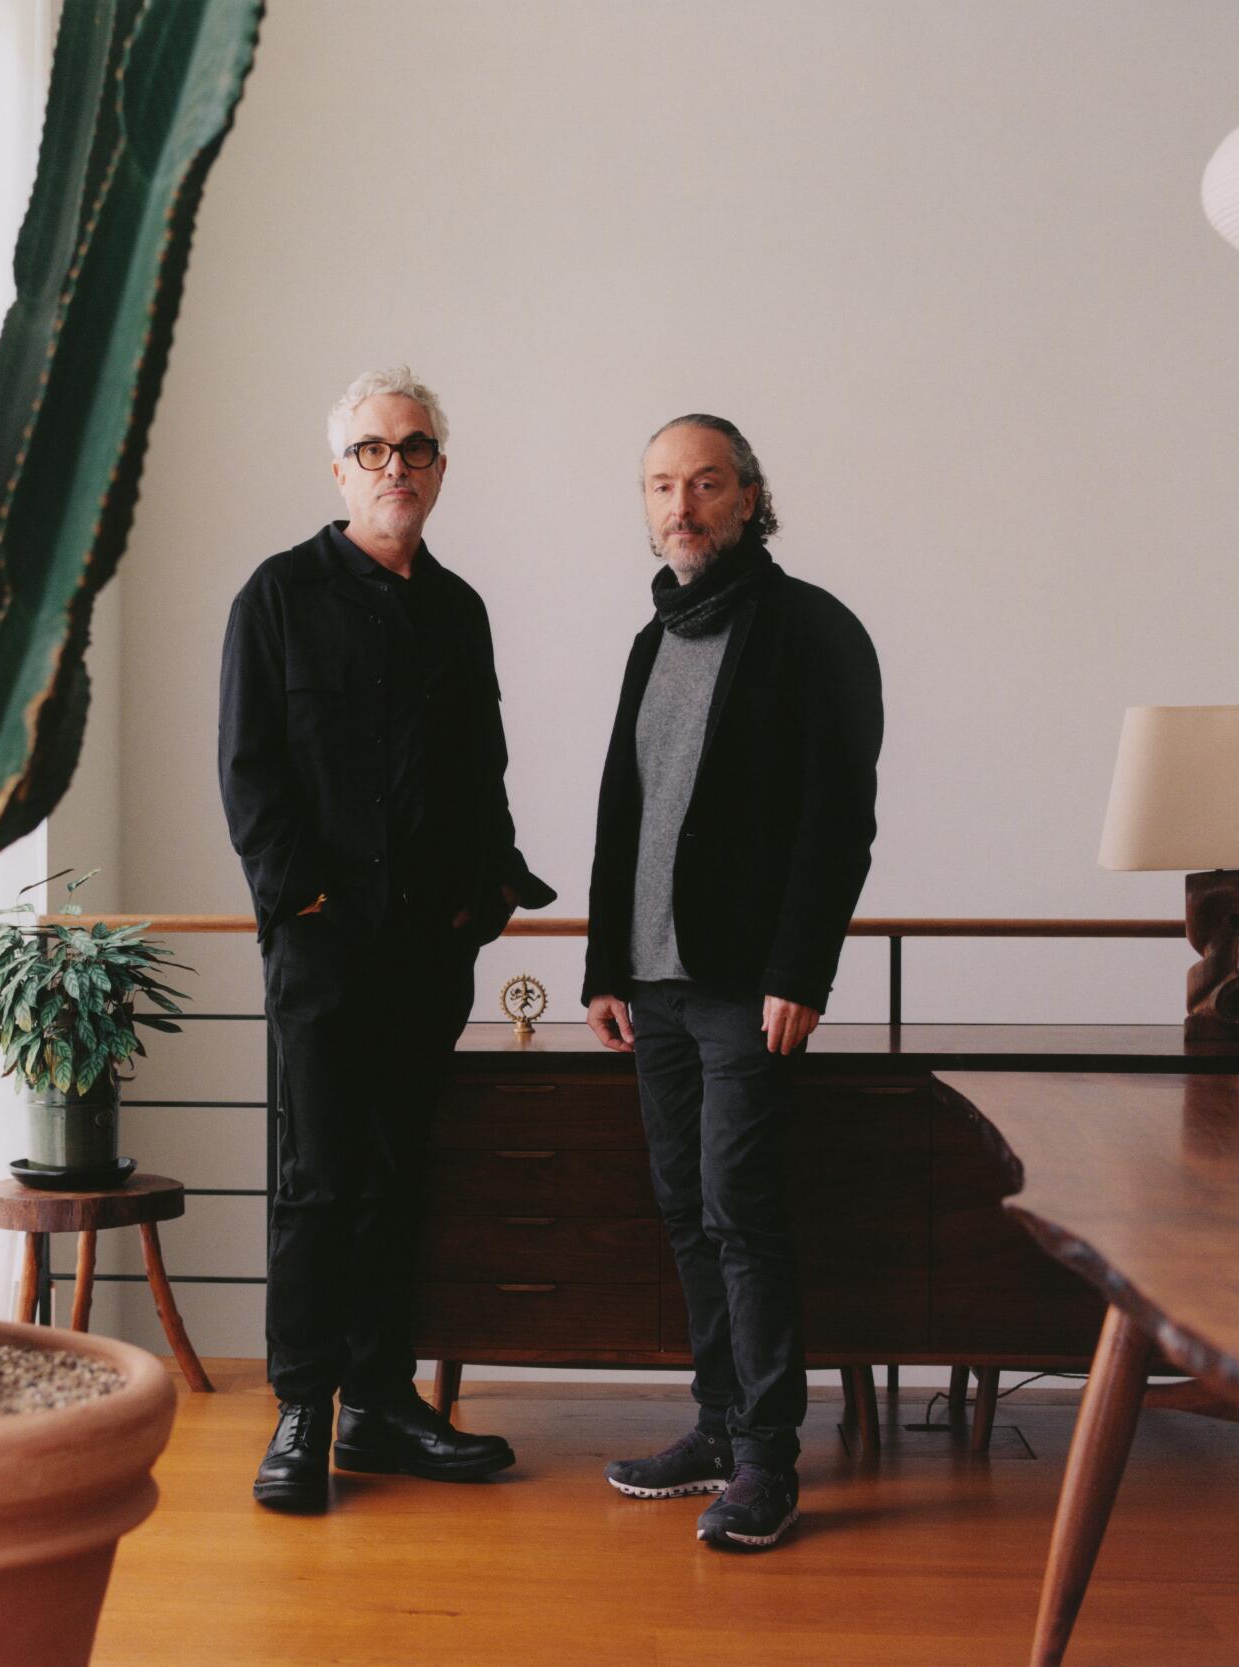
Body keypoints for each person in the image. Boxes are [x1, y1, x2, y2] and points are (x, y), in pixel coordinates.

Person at [218, 366, 554, 1512]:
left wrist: (483, 898)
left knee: (399, 1174)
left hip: (426, 946)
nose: (394, 466)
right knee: (318, 1179)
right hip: (320, 948)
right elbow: (248, 768)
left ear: (440, 470)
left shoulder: (457, 608)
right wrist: (296, 901)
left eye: (413, 448)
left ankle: (381, 1398)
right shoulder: (275, 596)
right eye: (372, 449)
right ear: (339, 470)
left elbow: (483, 766)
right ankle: (302, 1407)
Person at [582, 414, 881, 1550]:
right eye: (661, 485)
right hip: (651, 986)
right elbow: (626, 807)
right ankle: (713, 1423)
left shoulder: (810, 631)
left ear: (750, 495)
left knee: (738, 1211)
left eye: (704, 483)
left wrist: (799, 967)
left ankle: (765, 1460)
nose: (681, 506)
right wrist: (604, 962)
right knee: (681, 1207)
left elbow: (836, 818)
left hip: (745, 985)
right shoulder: (650, 640)